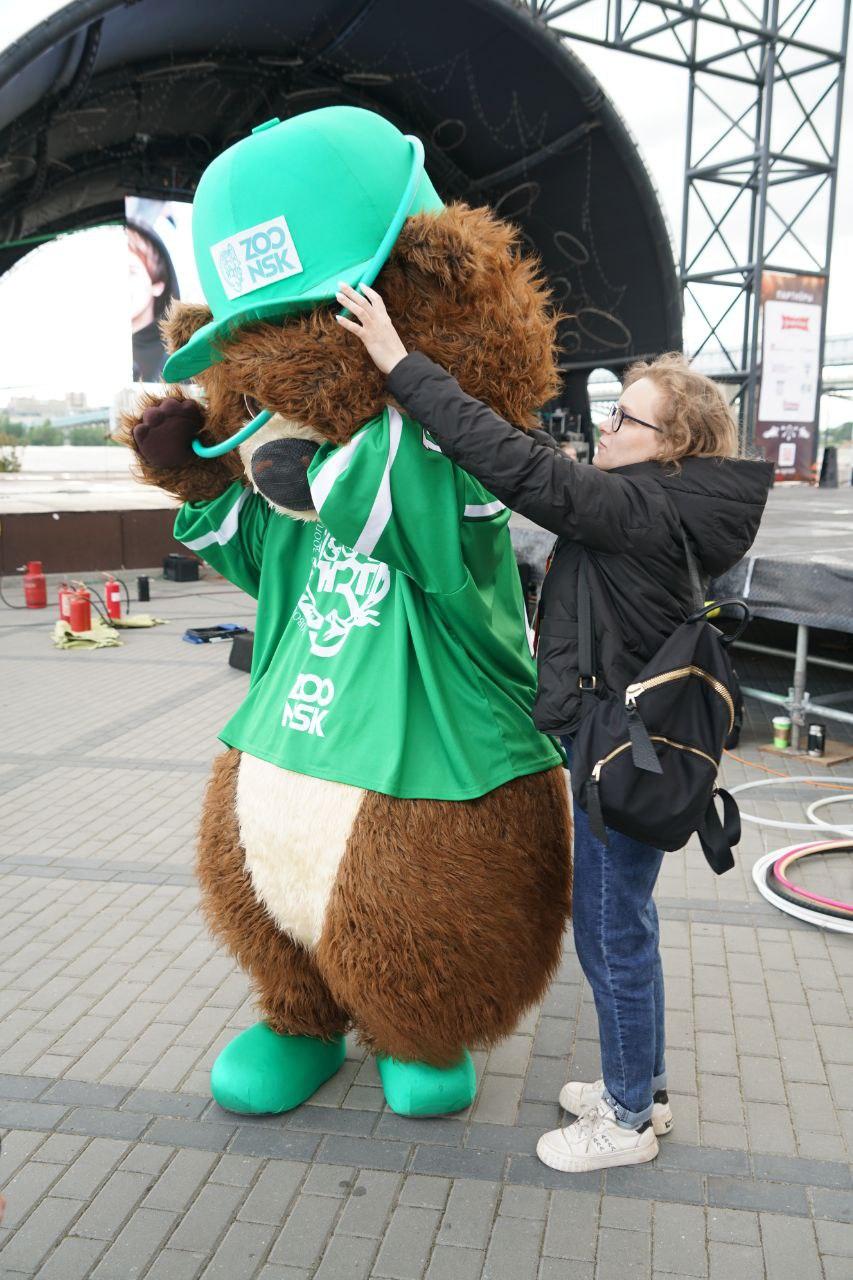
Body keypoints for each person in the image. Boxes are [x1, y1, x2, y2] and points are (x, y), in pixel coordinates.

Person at [334, 280, 773, 1173]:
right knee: (624, 922)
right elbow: (536, 456)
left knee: (610, 931)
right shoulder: (658, 505)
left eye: (623, 419)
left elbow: (524, 469)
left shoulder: (637, 509)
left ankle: (622, 1122)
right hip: (627, 744)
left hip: (621, 753)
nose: (604, 429)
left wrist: (397, 362)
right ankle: (638, 1090)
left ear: (670, 447)